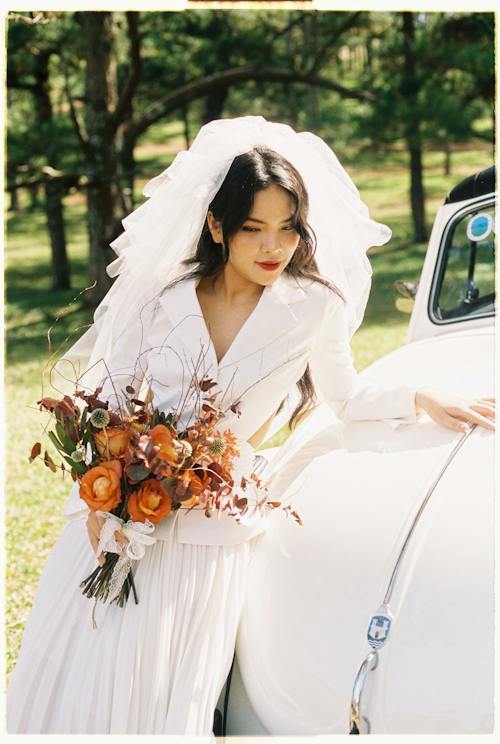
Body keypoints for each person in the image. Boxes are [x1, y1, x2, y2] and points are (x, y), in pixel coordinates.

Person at [6, 116, 495, 736]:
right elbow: (104, 399)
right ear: (216, 226)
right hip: (117, 521)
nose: (274, 247)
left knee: (169, 692)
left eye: (288, 229)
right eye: (253, 229)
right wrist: (104, 496)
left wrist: (421, 396)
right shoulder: (163, 297)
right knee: (85, 679)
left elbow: (346, 396)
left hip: (213, 527)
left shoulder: (314, 304)